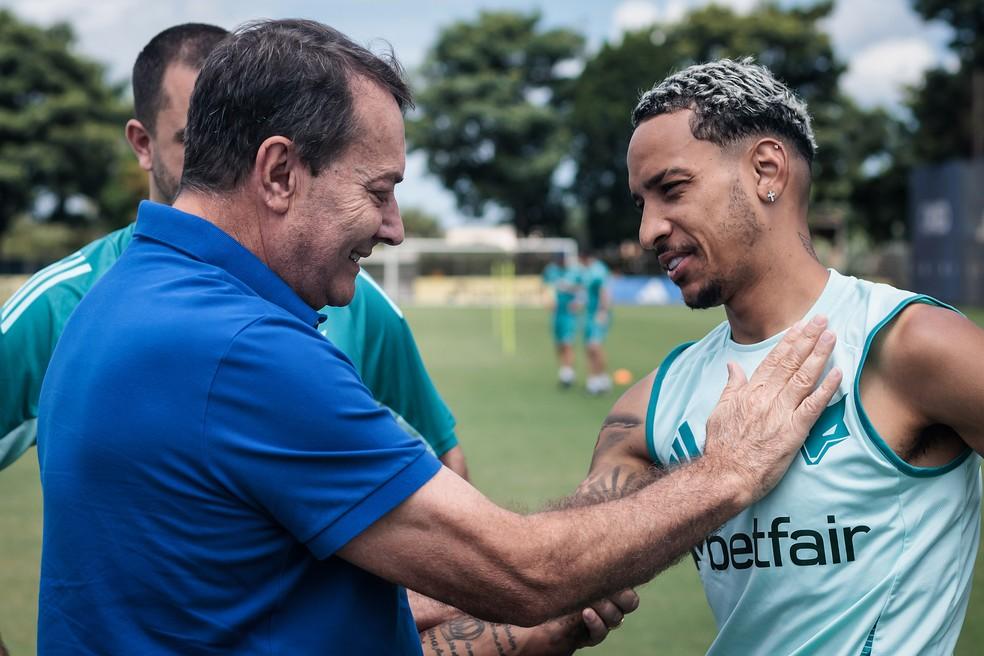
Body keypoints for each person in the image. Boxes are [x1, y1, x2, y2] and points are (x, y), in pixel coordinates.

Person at [37, 22, 840, 653]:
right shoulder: (237, 347)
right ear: (279, 173)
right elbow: (522, 571)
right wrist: (731, 470)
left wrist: (527, 615)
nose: (392, 228)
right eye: (378, 190)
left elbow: (257, 598)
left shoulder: (124, 295)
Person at [575, 57, 984, 655]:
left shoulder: (909, 345)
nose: (648, 231)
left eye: (671, 189)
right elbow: (558, 575)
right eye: (642, 203)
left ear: (767, 169)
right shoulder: (650, 408)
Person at [0, 22, 468, 479]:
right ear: (143, 144)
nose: (224, 155)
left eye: (235, 135)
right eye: (193, 136)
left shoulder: (352, 295)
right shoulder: (63, 301)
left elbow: (442, 458)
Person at [542, 253, 582, 388]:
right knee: (558, 343)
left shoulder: (575, 272)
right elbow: (545, 287)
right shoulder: (551, 271)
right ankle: (563, 370)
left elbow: (582, 289)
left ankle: (568, 373)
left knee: (567, 342)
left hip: (569, 313)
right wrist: (547, 300)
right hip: (556, 314)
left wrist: (578, 302)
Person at [578, 251, 613, 395]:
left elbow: (604, 291)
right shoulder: (585, 271)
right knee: (588, 347)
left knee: (594, 346)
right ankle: (594, 379)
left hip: (598, 314)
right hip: (588, 314)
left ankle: (601, 378)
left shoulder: (598, 270)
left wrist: (603, 311)